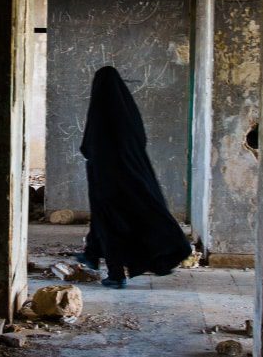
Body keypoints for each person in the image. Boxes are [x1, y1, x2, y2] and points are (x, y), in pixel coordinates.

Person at [77, 66, 191, 288]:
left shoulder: (100, 112)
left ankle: (116, 274)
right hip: (130, 178)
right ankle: (91, 253)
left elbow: (89, 147)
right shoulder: (129, 115)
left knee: (110, 223)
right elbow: (139, 142)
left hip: (105, 179)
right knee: (108, 219)